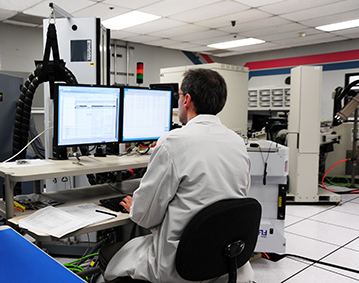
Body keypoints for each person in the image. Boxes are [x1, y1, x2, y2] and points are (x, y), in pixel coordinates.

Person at [99, 68, 253, 283]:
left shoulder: (173, 143)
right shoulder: (237, 142)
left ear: (187, 99)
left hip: (180, 266)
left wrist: (136, 205)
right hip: (223, 260)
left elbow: (144, 217)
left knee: (109, 255)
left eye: (179, 96)